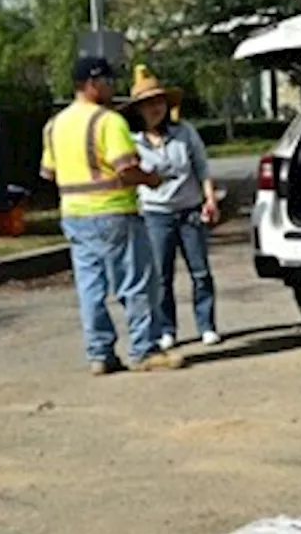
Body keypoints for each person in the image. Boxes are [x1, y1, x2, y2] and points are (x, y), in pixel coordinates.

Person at [40, 57, 184, 375]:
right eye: (108, 81)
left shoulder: (54, 125)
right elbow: (126, 170)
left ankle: (99, 354)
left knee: (90, 288)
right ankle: (143, 351)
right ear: (93, 83)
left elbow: (48, 172)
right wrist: (152, 179)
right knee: (136, 284)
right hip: (114, 212)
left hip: (74, 215)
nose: (113, 87)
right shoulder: (108, 122)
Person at [125, 65, 222, 349]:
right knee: (161, 276)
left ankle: (207, 325)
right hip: (156, 214)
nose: (156, 109)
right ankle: (167, 329)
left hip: (190, 210)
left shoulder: (185, 133)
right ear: (138, 111)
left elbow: (202, 168)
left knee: (200, 271)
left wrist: (210, 199)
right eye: (148, 104)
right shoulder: (133, 142)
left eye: (159, 102)